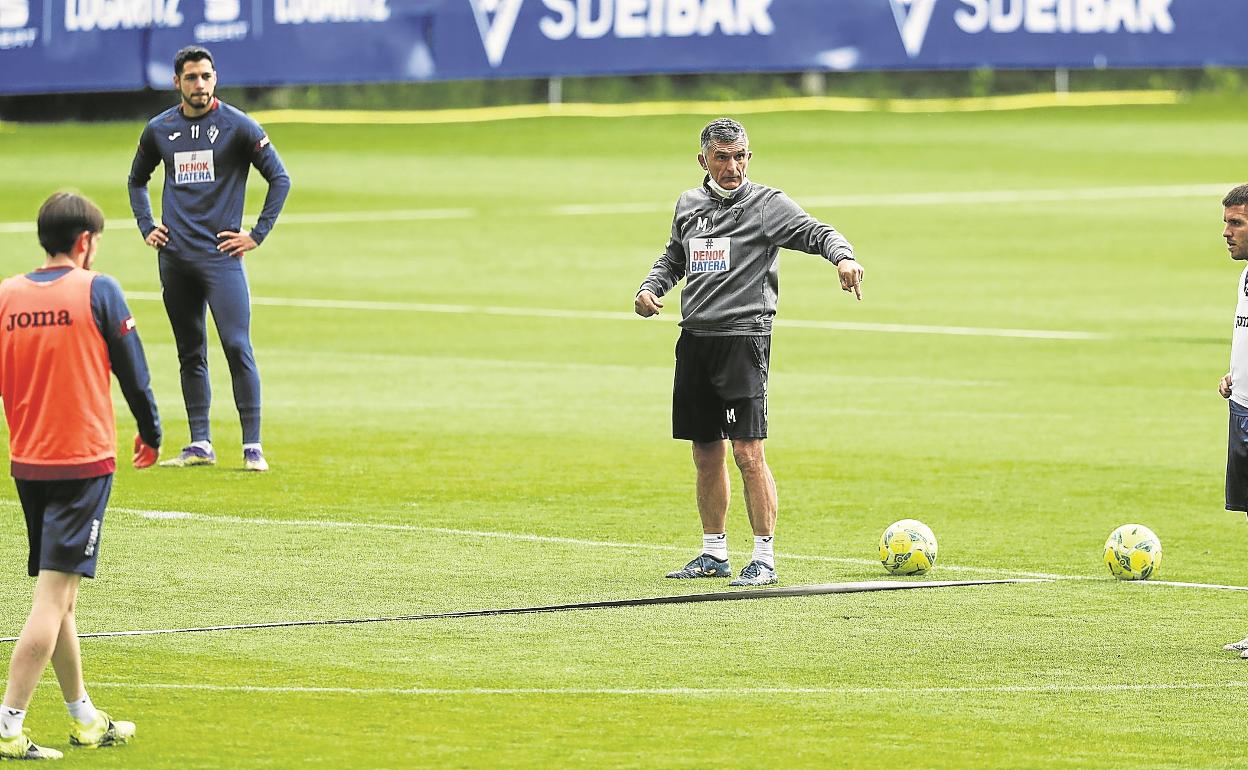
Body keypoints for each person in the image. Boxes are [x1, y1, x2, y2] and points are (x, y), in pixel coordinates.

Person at [634, 117, 863, 588]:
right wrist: (650, 287)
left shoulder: (766, 205)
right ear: (704, 160)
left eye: (740, 157)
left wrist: (843, 257)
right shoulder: (689, 204)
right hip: (695, 339)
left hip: (743, 340)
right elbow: (675, 256)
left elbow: (817, 231)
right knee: (704, 450)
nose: (733, 167)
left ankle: (764, 557)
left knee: (748, 451)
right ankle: (714, 551)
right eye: (723, 158)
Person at [0, 191, 161, 759]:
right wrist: (152, 431)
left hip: (29, 463)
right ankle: (7, 725)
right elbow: (134, 371)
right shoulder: (99, 289)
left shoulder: (6, 296)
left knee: (60, 592)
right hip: (82, 462)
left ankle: (83, 716)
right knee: (52, 597)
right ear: (85, 242)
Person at [127, 44, 291, 472]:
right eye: (191, 78)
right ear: (176, 82)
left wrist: (256, 234)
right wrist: (147, 225)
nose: (199, 85)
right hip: (175, 259)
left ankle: (252, 445)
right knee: (189, 351)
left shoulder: (238, 126)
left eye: (206, 76)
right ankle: (200, 442)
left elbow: (280, 178)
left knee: (237, 346)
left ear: (214, 78)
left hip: (221, 260)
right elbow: (136, 180)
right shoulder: (159, 130)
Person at [1217, 184, 1248, 657]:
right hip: (1242, 407)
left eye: (1236, 223)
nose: (1226, 233)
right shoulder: (1246, 277)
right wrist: (1236, 375)